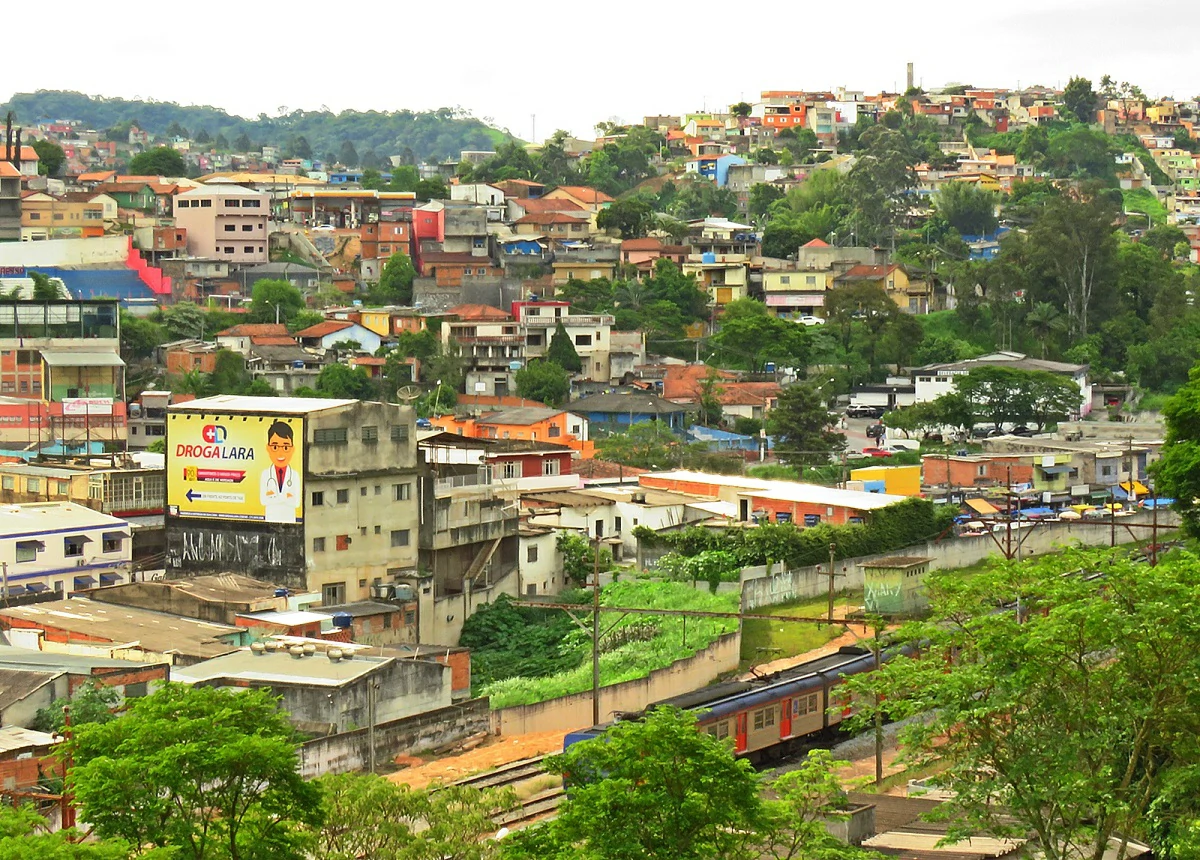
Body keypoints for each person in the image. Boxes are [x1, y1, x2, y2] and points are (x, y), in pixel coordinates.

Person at [259, 420, 300, 523]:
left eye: (286, 447)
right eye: (275, 447)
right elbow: (263, 500)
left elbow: (296, 502)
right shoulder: (265, 474)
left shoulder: (295, 475)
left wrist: (274, 496)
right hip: (271, 519)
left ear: (292, 449)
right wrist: (285, 497)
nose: (280, 452)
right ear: (268, 448)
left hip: (289, 521)